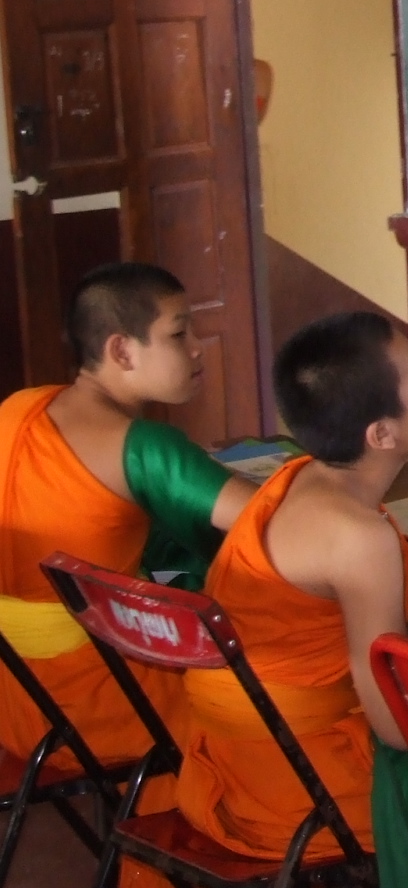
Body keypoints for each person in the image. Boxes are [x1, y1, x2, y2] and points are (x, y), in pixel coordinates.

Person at [172, 312, 408, 886]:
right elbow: (395, 728)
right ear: (382, 435)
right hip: (297, 792)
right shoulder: (358, 536)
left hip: (225, 762)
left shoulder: (291, 479)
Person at [0, 263, 255, 852]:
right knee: (266, 692)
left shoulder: (19, 410)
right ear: (121, 349)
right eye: (178, 333)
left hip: (19, 703)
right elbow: (270, 524)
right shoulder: (141, 445)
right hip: (109, 703)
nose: (198, 349)